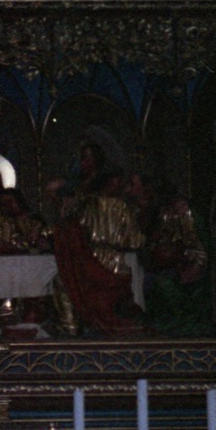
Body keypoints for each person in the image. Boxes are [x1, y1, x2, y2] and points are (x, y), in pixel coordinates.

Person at [51, 143, 145, 336]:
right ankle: (75, 325)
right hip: (107, 258)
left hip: (93, 257)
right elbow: (135, 241)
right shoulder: (94, 199)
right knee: (68, 281)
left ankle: (72, 326)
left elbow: (72, 225)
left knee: (68, 281)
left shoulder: (95, 204)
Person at [141, 179, 210, 337]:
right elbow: (162, 238)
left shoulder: (188, 214)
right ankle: (165, 320)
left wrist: (195, 267)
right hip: (174, 262)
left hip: (191, 263)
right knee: (151, 281)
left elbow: (201, 247)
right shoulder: (165, 213)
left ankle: (183, 320)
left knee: (165, 283)